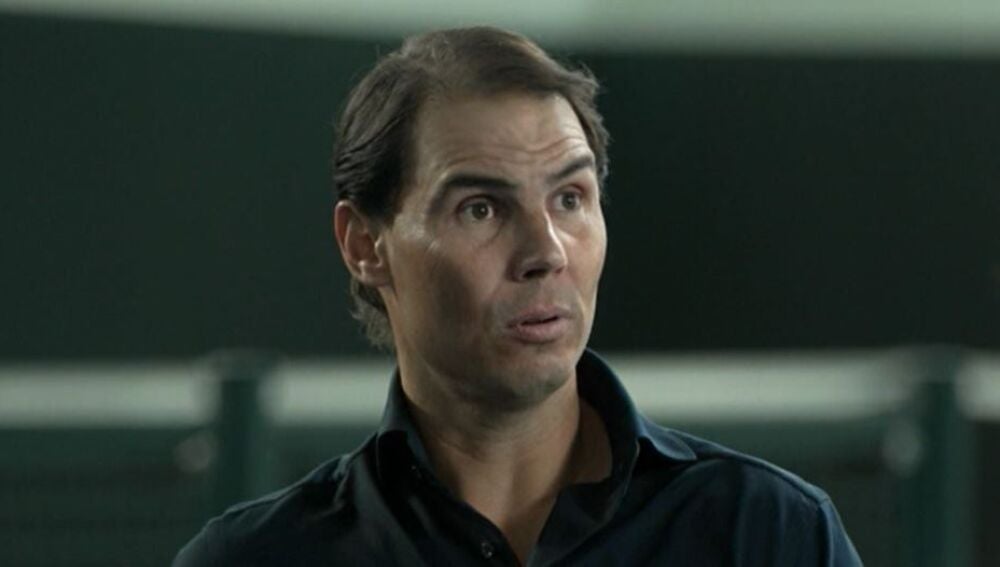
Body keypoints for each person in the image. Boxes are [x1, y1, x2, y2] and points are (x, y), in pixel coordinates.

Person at [174, 26, 861, 566]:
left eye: (570, 198)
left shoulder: (767, 533)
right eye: (481, 209)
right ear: (365, 245)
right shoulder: (257, 558)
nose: (547, 252)